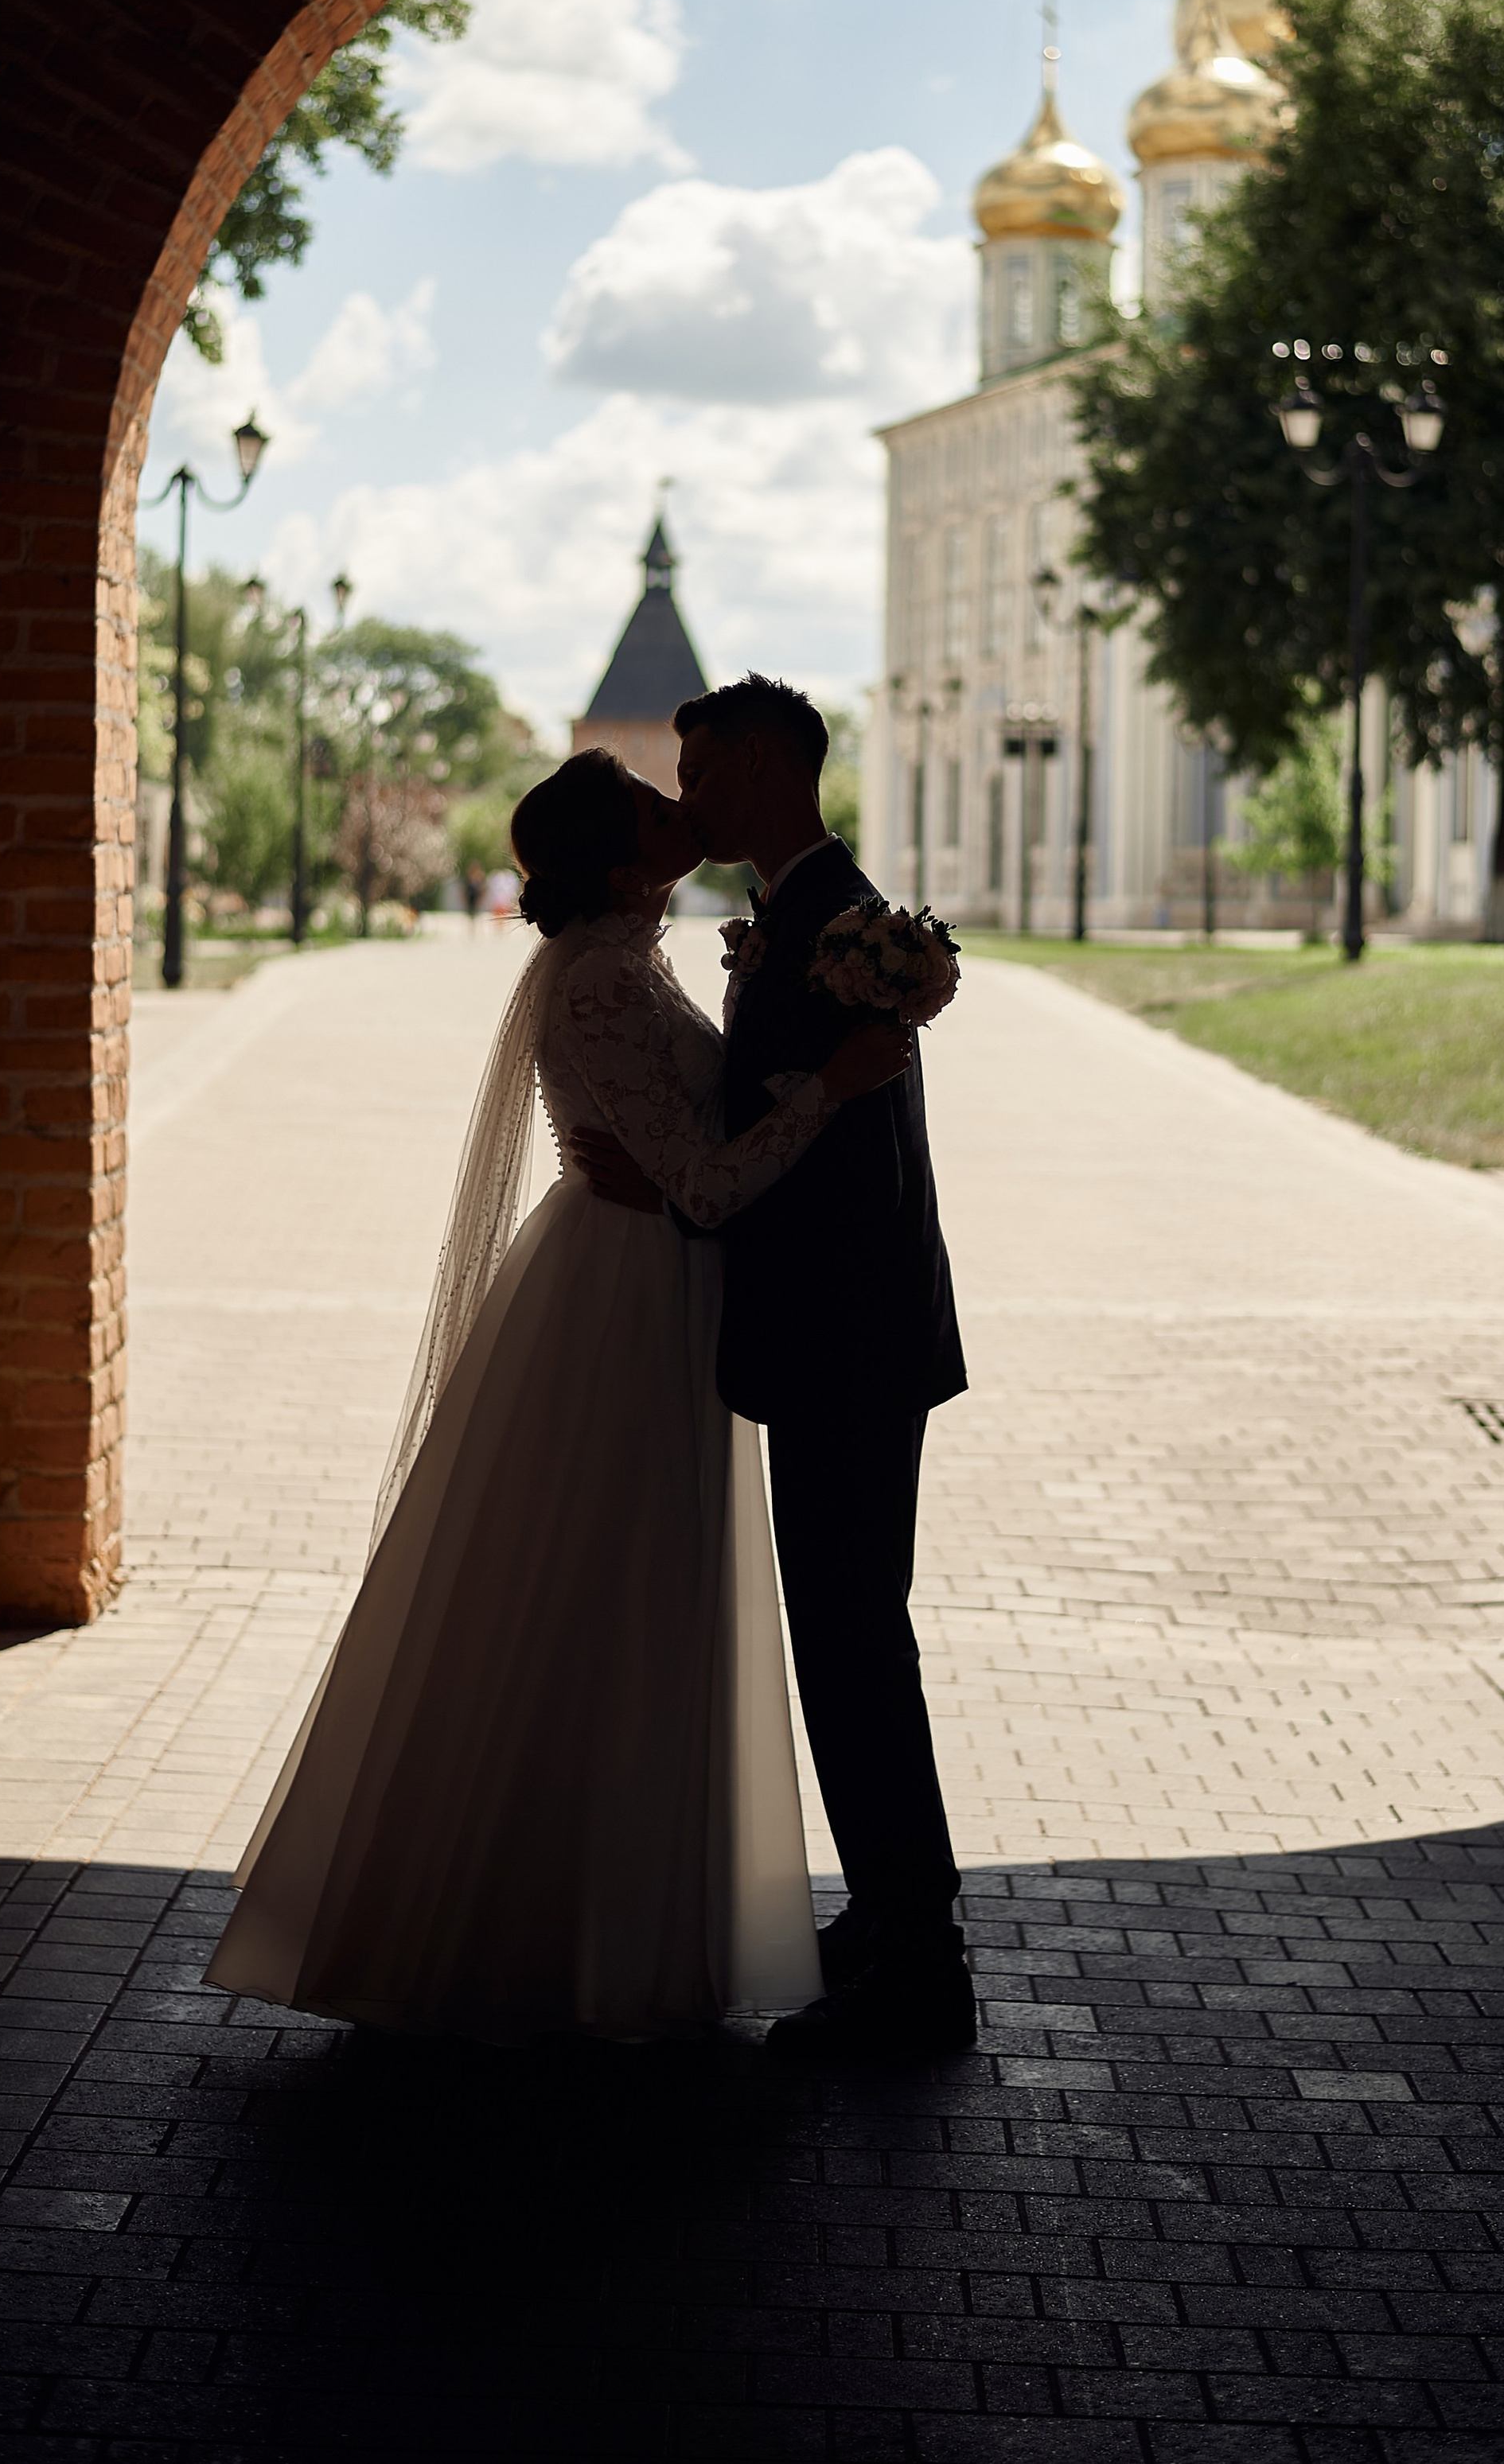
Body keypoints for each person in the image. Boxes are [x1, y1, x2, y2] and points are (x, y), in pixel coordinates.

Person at [204, 747, 912, 2042]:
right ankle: (561, 1937)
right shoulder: (595, 982)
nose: (681, 803)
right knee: (606, 1591)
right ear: (625, 855)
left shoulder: (629, 959)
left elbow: (681, 1156)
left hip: (658, 1288)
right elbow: (700, 1184)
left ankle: (626, 1920)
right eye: (655, 799)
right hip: (623, 1307)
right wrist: (834, 1084)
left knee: (630, 1597)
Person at [571, 674, 973, 2061]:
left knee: (858, 1637)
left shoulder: (840, 919)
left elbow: (841, 1139)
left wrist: (701, 1172)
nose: (687, 798)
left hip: (846, 1335)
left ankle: (920, 1954)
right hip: (842, 1330)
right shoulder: (816, 912)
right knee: (850, 1635)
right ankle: (892, 1910)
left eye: (699, 770)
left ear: (758, 765)